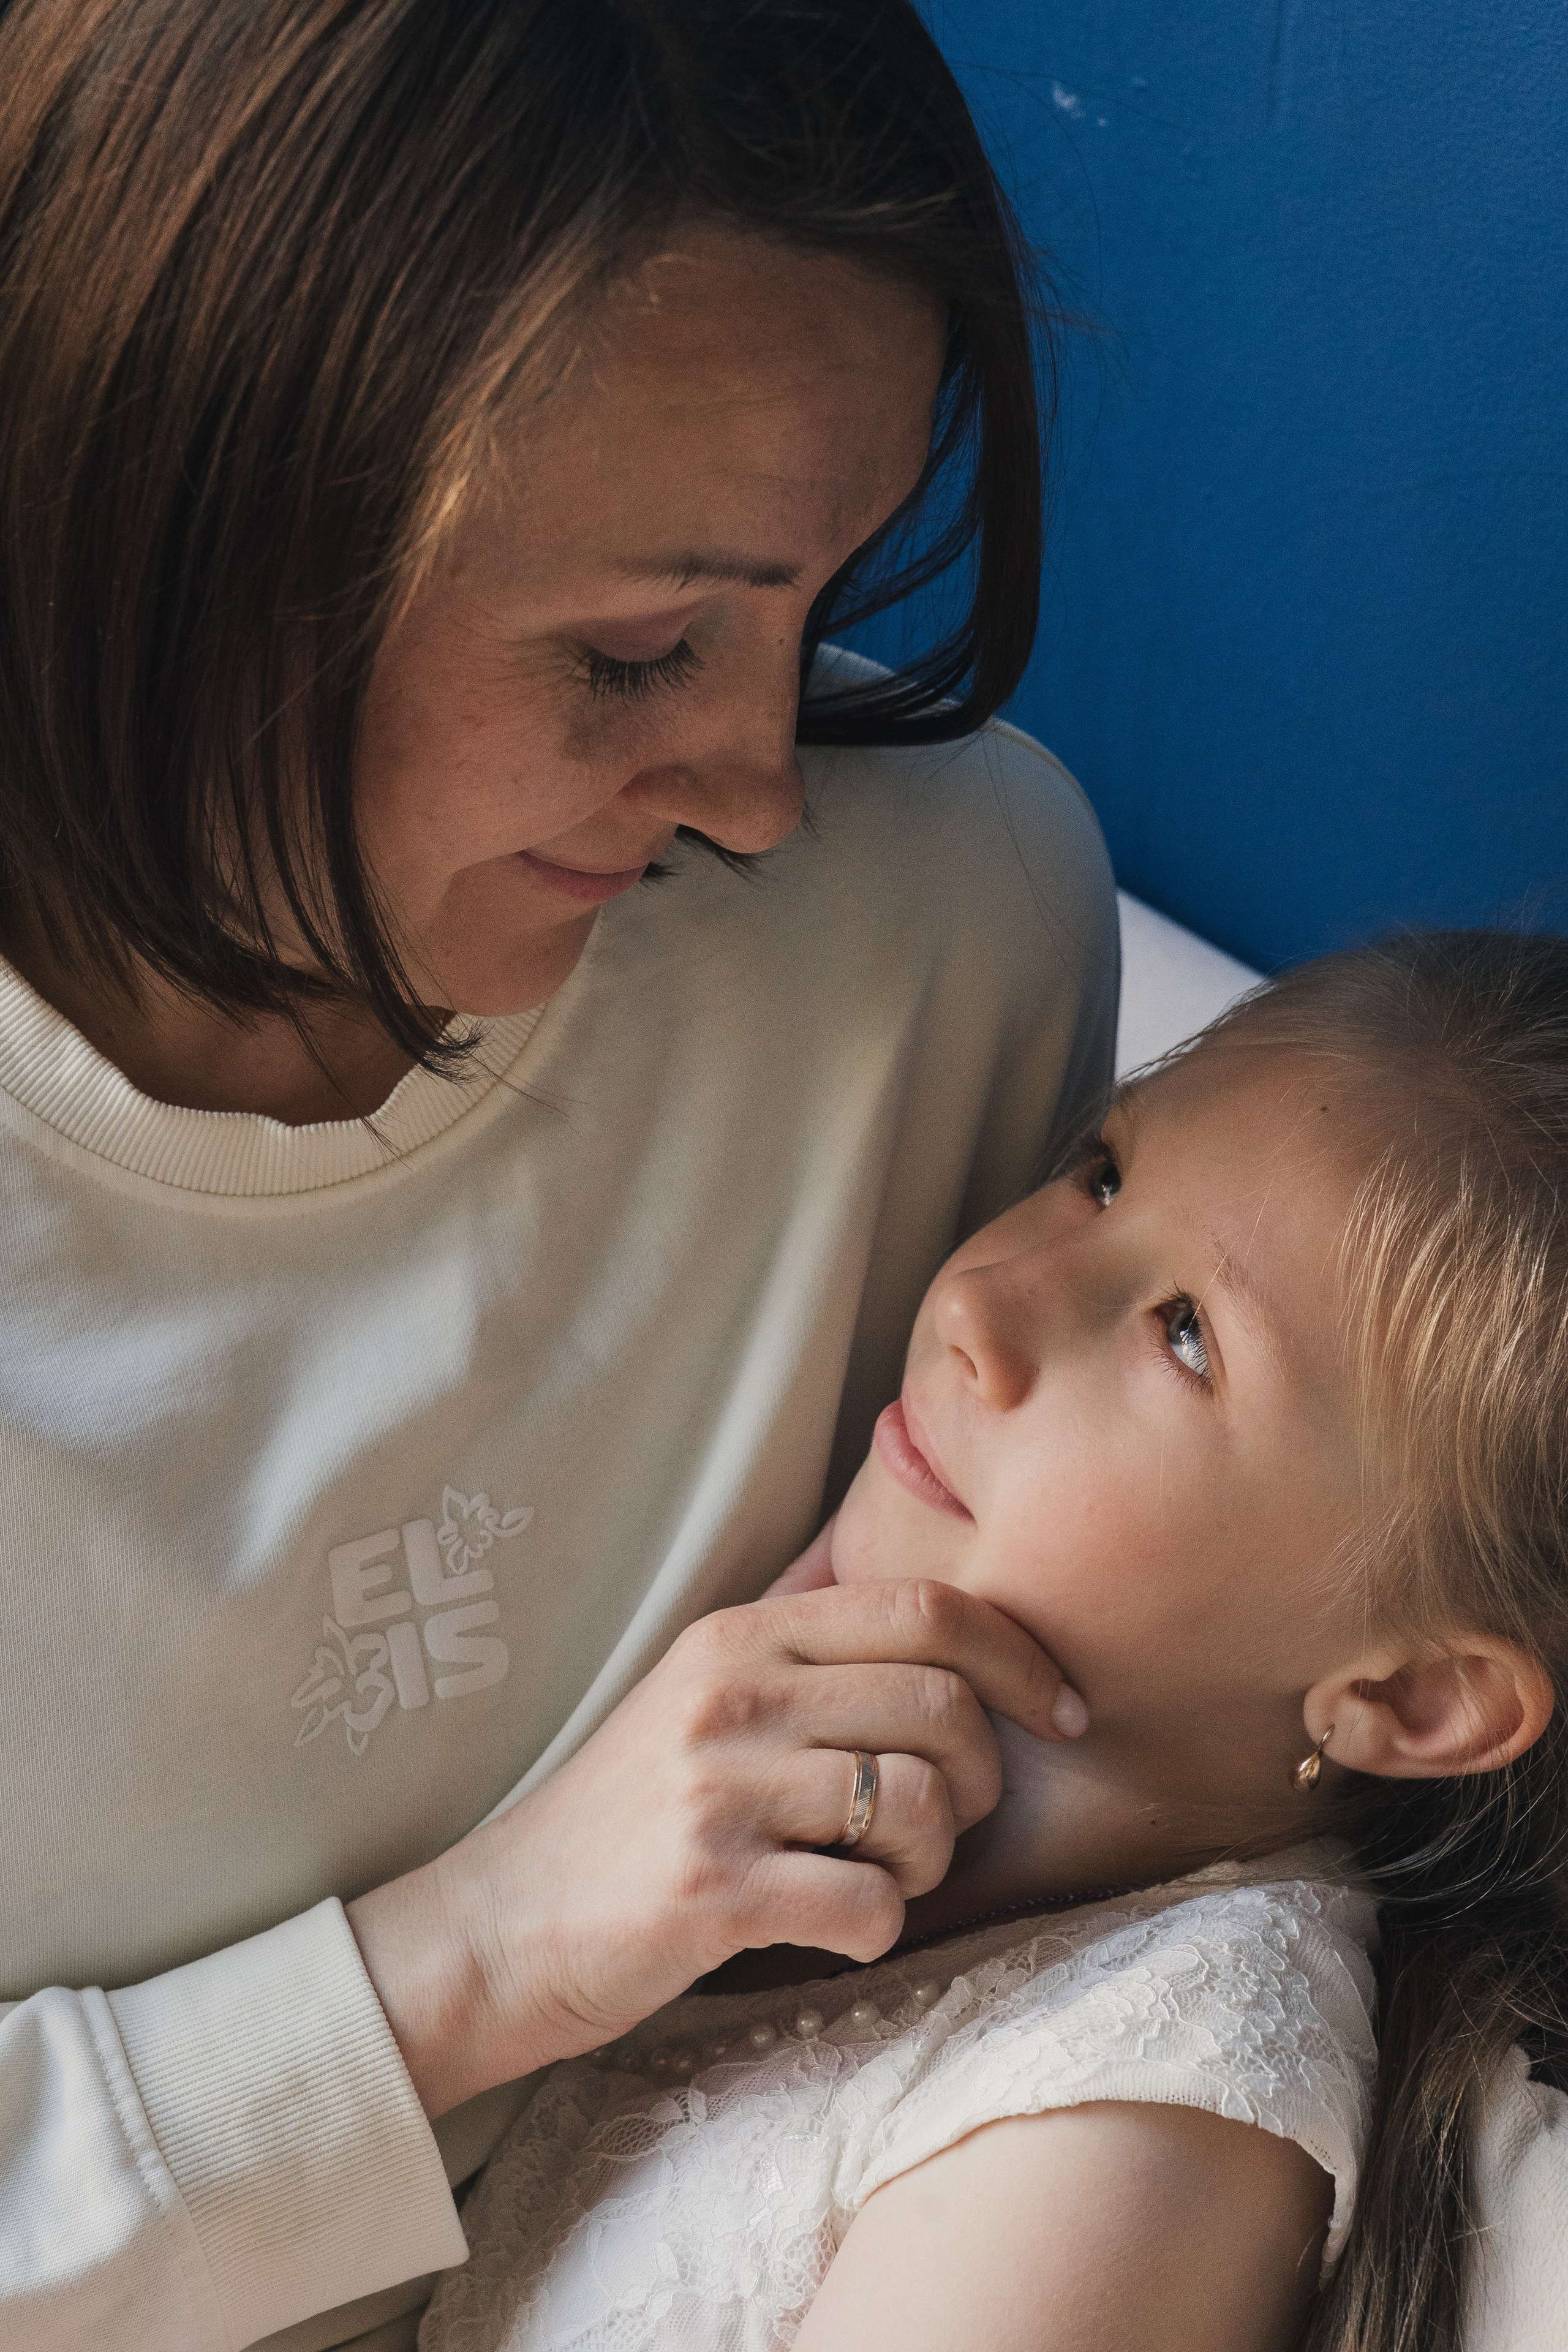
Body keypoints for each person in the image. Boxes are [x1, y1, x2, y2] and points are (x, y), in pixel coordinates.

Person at [0, 4, 1118, 2348]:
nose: (755, 788)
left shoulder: (941, 945)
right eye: (632, 655)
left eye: (815, 612)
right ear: (151, 519)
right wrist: (470, 1965)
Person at [421, 930, 1568, 2352]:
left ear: (1409, 1692)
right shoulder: (747, 1727)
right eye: (1099, 1172)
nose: (981, 1303)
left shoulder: (1130, 2129)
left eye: (1184, 1336)